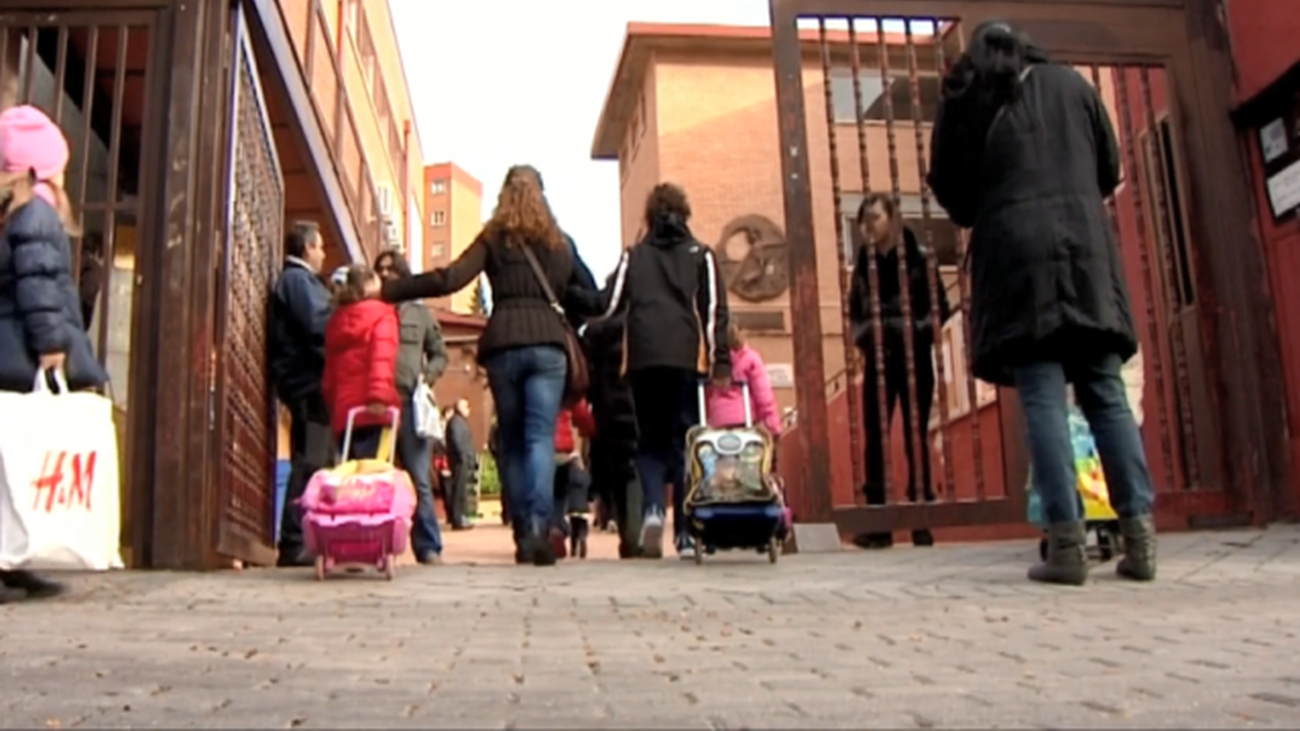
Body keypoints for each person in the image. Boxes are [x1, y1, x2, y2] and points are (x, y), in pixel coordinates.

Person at [927, 21, 1156, 585]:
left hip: (1015, 256)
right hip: (1086, 249)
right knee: (1106, 392)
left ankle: (1066, 547)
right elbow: (1109, 166)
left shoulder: (967, 101)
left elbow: (954, 196)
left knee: (1043, 399)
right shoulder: (1072, 85)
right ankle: (1141, 540)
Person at [381, 166, 594, 566]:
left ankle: (522, 533)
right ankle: (538, 527)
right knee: (539, 440)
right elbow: (591, 292)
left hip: (504, 346)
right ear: (542, 195)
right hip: (548, 347)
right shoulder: (560, 243)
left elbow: (449, 278)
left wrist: (391, 289)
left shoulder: (493, 238)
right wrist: (565, 315)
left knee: (512, 441)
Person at [578, 183, 731, 560]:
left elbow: (609, 304)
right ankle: (683, 533)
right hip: (684, 358)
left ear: (648, 216)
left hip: (643, 358)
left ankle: (651, 511)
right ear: (685, 213)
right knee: (683, 443)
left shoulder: (634, 256)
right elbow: (714, 313)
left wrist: (566, 297)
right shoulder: (703, 255)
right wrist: (720, 360)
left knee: (647, 443)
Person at [0, 105, 110, 603]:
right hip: (21, 352)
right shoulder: (39, 211)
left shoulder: (14, 213)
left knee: (11, 465)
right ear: (35, 170)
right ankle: (14, 557)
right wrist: (51, 345)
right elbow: (41, 282)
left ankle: (14, 559)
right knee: (16, 463)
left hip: (10, 348)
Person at [847, 193, 953, 550]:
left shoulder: (920, 258)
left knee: (915, 434)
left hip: (913, 358)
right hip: (877, 360)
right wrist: (866, 335)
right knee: (874, 437)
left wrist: (910, 329)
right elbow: (854, 313)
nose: (867, 226)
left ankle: (921, 519)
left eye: (874, 218)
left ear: (893, 218)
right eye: (863, 220)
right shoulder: (863, 262)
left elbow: (941, 308)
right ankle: (878, 524)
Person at [374, 248, 449, 565]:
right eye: (381, 270)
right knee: (374, 477)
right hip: (376, 404)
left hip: (409, 403)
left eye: (392, 270)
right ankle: (373, 545)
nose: (386, 275)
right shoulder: (373, 310)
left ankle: (428, 546)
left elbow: (439, 353)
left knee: (419, 478)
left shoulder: (420, 315)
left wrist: (426, 377)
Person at [269, 220, 334, 567]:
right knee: (310, 460)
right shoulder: (298, 281)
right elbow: (318, 326)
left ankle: (304, 537)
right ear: (307, 248)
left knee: (313, 458)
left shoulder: (299, 282)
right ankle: (294, 541)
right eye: (320, 246)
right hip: (307, 381)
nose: (323, 253)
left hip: (306, 380)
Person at [321, 264, 400, 459]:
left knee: (350, 477)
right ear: (369, 285)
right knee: (373, 477)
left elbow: (329, 378)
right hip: (373, 411)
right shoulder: (382, 315)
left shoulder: (336, 322)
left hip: (344, 413)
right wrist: (378, 397)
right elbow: (381, 358)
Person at [583, 306, 642, 558]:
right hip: (639, 405)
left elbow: (587, 369)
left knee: (616, 470)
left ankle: (625, 532)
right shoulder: (644, 321)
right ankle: (635, 530)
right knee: (639, 466)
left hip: (607, 409)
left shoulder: (599, 326)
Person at [705, 321, 782, 438]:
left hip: (717, 422)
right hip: (745, 421)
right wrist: (773, 427)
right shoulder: (751, 359)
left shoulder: (712, 362)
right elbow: (764, 396)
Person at [551, 399, 596, 559]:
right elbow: (583, 417)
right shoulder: (567, 383)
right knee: (560, 492)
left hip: (537, 450)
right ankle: (558, 527)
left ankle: (547, 528)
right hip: (563, 453)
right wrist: (589, 429)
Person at [443, 398, 477, 531]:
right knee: (459, 490)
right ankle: (458, 518)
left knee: (461, 490)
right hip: (459, 461)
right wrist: (463, 456)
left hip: (461, 460)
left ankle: (460, 516)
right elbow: (457, 441)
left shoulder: (458, 422)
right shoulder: (456, 422)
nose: (469, 410)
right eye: (466, 407)